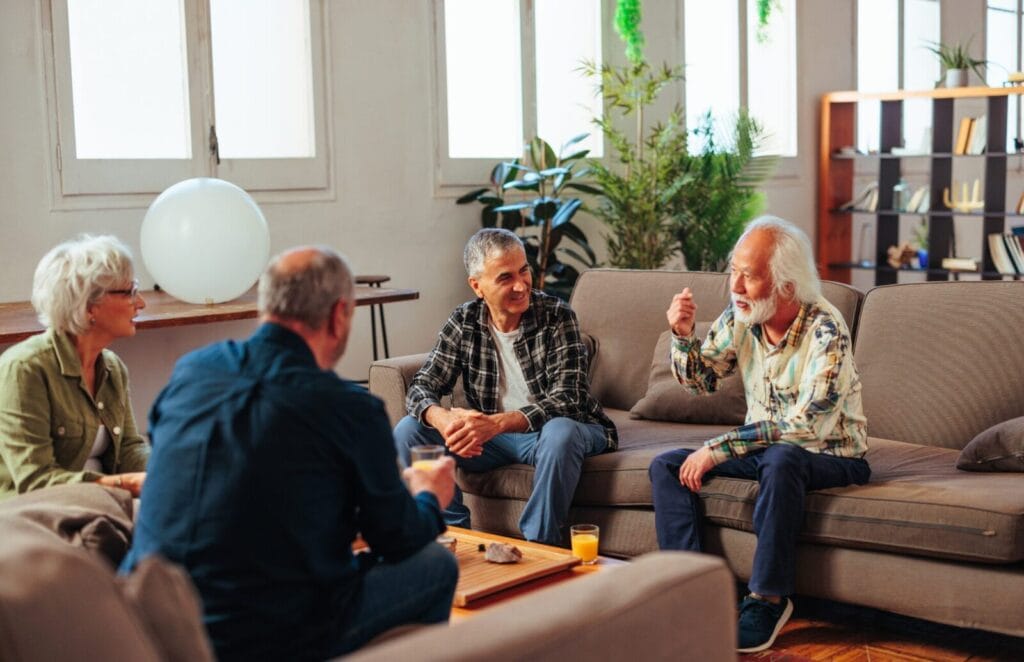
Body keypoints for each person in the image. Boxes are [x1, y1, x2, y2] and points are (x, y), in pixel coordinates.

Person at [121, 246, 459, 661]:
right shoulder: (349, 408)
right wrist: (428, 496)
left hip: (148, 620)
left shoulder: (193, 370)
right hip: (266, 635)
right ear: (339, 315)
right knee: (435, 566)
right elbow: (399, 538)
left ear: (267, 307)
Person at [648, 216, 870, 653]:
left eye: (749, 276)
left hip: (832, 454)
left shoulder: (827, 328)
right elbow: (702, 381)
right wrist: (682, 334)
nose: (736, 285)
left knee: (782, 457)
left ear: (787, 285)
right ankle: (693, 592)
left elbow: (806, 425)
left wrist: (718, 449)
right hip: (765, 450)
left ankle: (768, 598)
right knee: (667, 466)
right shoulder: (742, 316)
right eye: (734, 270)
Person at [393, 228, 616, 546]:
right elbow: (422, 386)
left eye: (524, 270)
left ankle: (540, 544)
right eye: (505, 277)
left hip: (552, 432)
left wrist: (495, 424)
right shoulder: (464, 321)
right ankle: (454, 536)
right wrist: (444, 420)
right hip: (494, 441)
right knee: (408, 430)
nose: (520, 284)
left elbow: (569, 398)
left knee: (561, 431)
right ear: (477, 286)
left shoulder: (556, 316)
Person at [0, 235, 149, 501]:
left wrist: (174, 469)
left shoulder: (113, 368)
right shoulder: (24, 370)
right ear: (90, 304)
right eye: (130, 292)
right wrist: (126, 484)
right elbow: (36, 482)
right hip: (36, 516)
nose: (141, 303)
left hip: (103, 505)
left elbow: (128, 449)